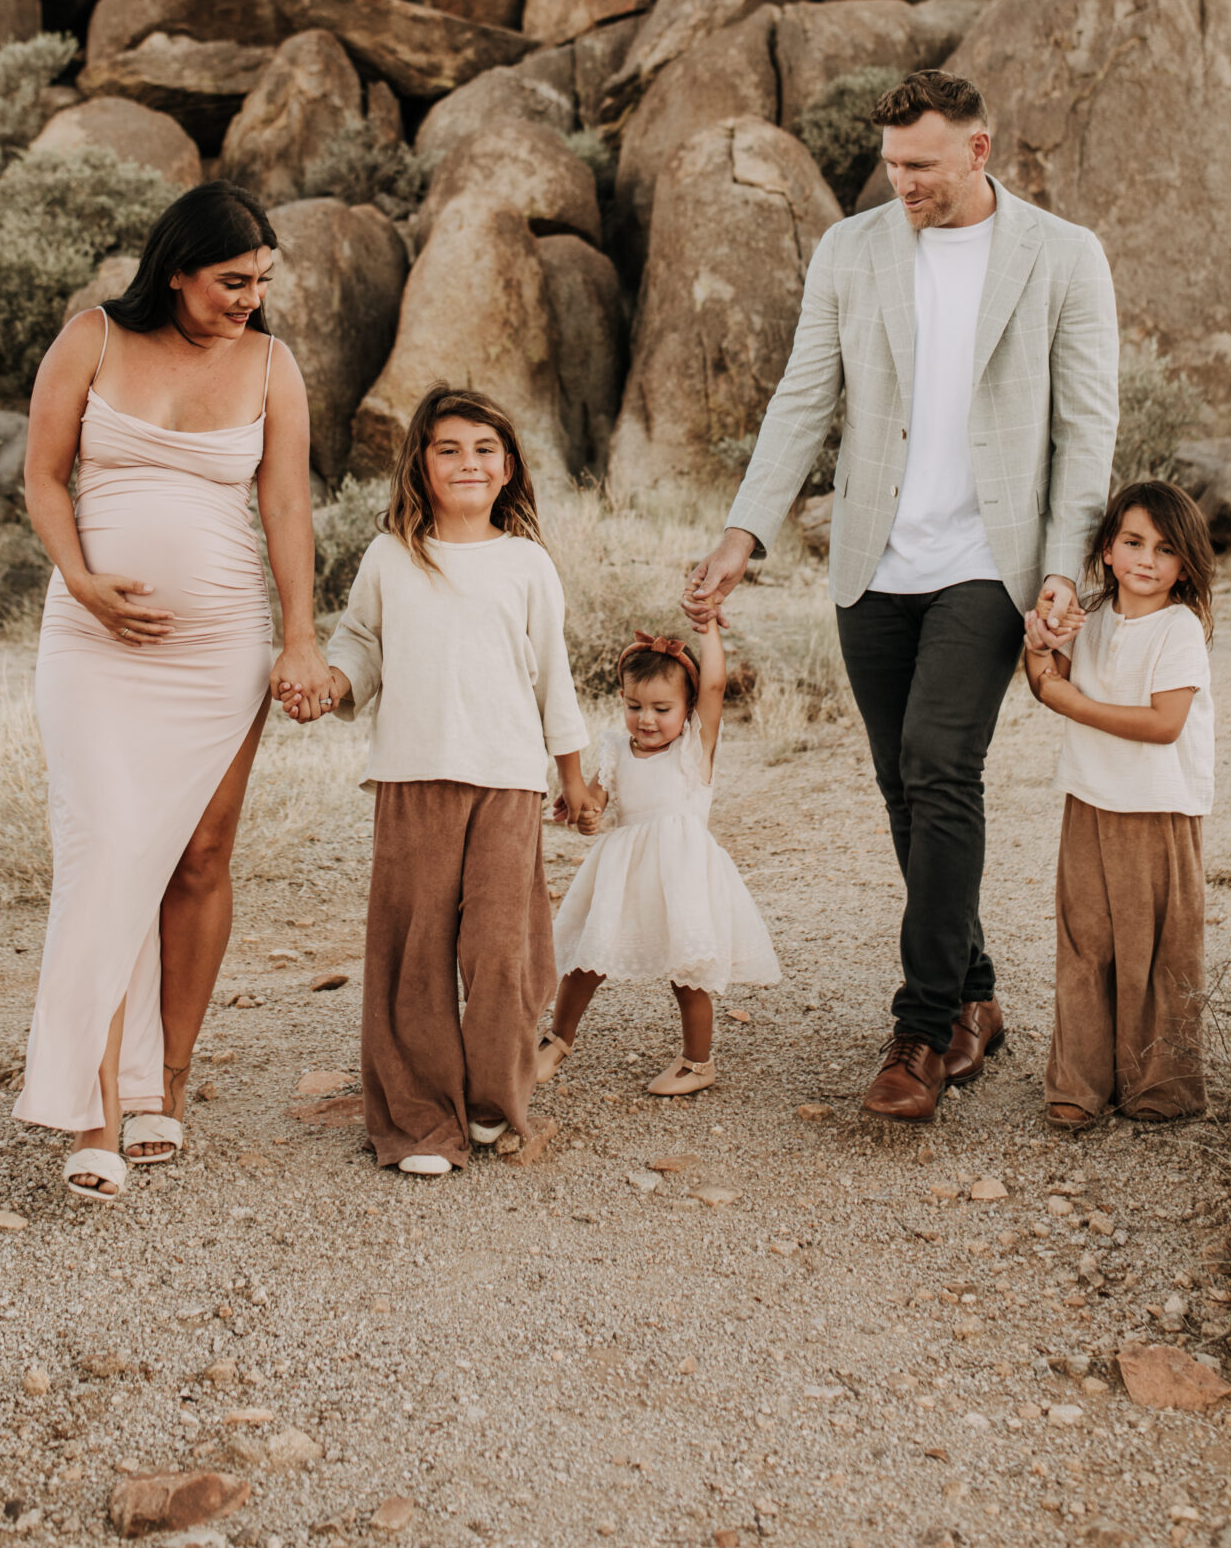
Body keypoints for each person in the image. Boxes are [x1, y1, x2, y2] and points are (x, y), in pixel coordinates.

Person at [686, 70, 1118, 1124]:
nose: (902, 182)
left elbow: (1086, 426)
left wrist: (1064, 566)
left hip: (992, 558)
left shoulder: (1064, 256)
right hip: (874, 561)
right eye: (891, 164)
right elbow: (804, 397)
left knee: (939, 762)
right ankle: (975, 991)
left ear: (980, 149)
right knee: (902, 786)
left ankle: (920, 1032)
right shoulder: (852, 249)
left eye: (921, 165)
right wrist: (746, 530)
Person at [15, 182, 324, 1201]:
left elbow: (285, 506)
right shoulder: (91, 338)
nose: (250, 299)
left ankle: (165, 1085)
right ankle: (89, 1111)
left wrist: (302, 640)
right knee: (105, 849)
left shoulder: (273, 365)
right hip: (94, 643)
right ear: (177, 269)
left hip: (221, 648)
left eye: (262, 283)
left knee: (198, 857)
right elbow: (43, 478)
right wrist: (83, 582)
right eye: (233, 281)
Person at [310, 387, 597, 1176]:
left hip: (507, 782)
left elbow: (554, 678)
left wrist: (572, 778)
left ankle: (487, 1102)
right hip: (413, 775)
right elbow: (359, 643)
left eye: (482, 449)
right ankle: (418, 1121)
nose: (467, 462)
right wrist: (332, 685)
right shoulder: (389, 556)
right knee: (414, 955)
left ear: (507, 467)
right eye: (447, 449)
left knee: (503, 953)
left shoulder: (526, 562)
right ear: (420, 466)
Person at [1023, 478, 1215, 1129]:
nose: (1146, 559)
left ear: (1184, 565)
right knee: (1085, 945)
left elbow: (1164, 723)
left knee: (1159, 947)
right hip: (1089, 800)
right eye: (1132, 541)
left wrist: (1070, 701)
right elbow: (1044, 682)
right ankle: (1078, 1083)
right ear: (1106, 549)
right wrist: (1038, 646)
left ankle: (1160, 1083)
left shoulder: (1179, 628)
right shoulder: (1093, 618)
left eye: (1164, 550)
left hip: (1156, 810)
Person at [539, 614, 781, 1096]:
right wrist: (584, 816)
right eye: (634, 706)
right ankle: (555, 1040)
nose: (646, 719)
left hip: (681, 878)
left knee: (687, 973)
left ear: (688, 709)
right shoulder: (615, 750)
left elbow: (713, 684)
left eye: (661, 708)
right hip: (622, 876)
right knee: (587, 960)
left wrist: (708, 628)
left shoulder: (695, 749)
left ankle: (697, 1062)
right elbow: (594, 807)